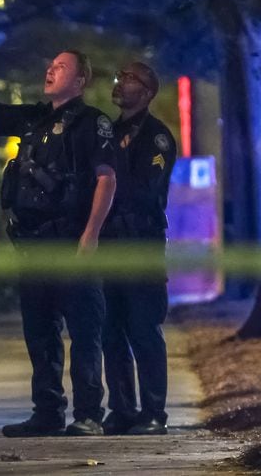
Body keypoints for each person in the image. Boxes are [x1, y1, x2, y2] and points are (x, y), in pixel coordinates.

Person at [0, 51, 117, 437]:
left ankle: (88, 416)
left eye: (61, 67)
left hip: (71, 241)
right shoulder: (34, 116)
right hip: (33, 245)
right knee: (40, 333)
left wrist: (91, 235)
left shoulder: (91, 122)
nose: (50, 69)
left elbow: (106, 179)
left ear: (81, 81)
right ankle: (47, 413)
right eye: (49, 65)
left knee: (84, 332)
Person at [101, 62, 176, 435]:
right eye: (121, 75)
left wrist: (107, 184)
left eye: (129, 79)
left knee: (144, 330)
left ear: (147, 92)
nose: (120, 82)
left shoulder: (157, 137)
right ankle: (122, 408)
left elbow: (144, 189)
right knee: (110, 329)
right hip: (109, 243)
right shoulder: (110, 133)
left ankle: (153, 412)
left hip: (140, 243)